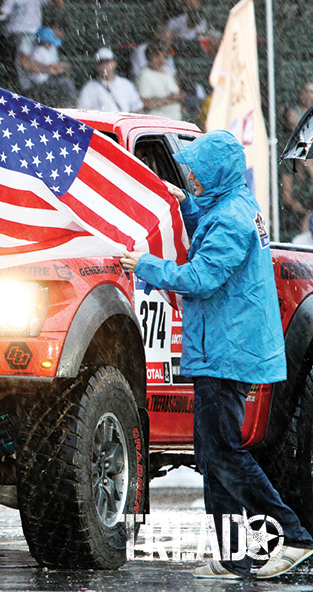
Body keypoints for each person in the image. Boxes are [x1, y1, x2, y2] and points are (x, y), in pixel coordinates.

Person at [120, 130, 313, 579]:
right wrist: (181, 201)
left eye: (196, 173)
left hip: (228, 351)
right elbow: (207, 219)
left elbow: (203, 278)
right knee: (212, 455)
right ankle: (234, 558)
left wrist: (144, 266)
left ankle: (295, 535)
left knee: (223, 453)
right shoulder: (236, 205)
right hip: (224, 348)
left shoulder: (230, 217)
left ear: (217, 173)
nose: (191, 178)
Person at [18, 25, 76, 108]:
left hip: (46, 81)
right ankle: (71, 105)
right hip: (40, 84)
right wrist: (59, 68)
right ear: (45, 41)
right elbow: (51, 67)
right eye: (49, 42)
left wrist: (63, 66)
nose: (50, 44)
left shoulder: (47, 50)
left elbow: (54, 66)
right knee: (66, 83)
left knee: (66, 81)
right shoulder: (39, 51)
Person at [77, 47, 144, 113]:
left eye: (107, 62)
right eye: (100, 63)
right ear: (96, 66)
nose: (104, 66)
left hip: (121, 122)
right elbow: (82, 111)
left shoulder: (126, 84)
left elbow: (138, 109)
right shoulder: (90, 88)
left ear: (114, 63)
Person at [137, 41, 184, 121]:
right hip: (158, 121)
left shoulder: (168, 71)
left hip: (176, 119)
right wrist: (169, 99)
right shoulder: (144, 75)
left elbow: (180, 94)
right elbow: (146, 104)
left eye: (164, 56)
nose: (161, 60)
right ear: (150, 57)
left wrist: (179, 96)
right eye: (157, 56)